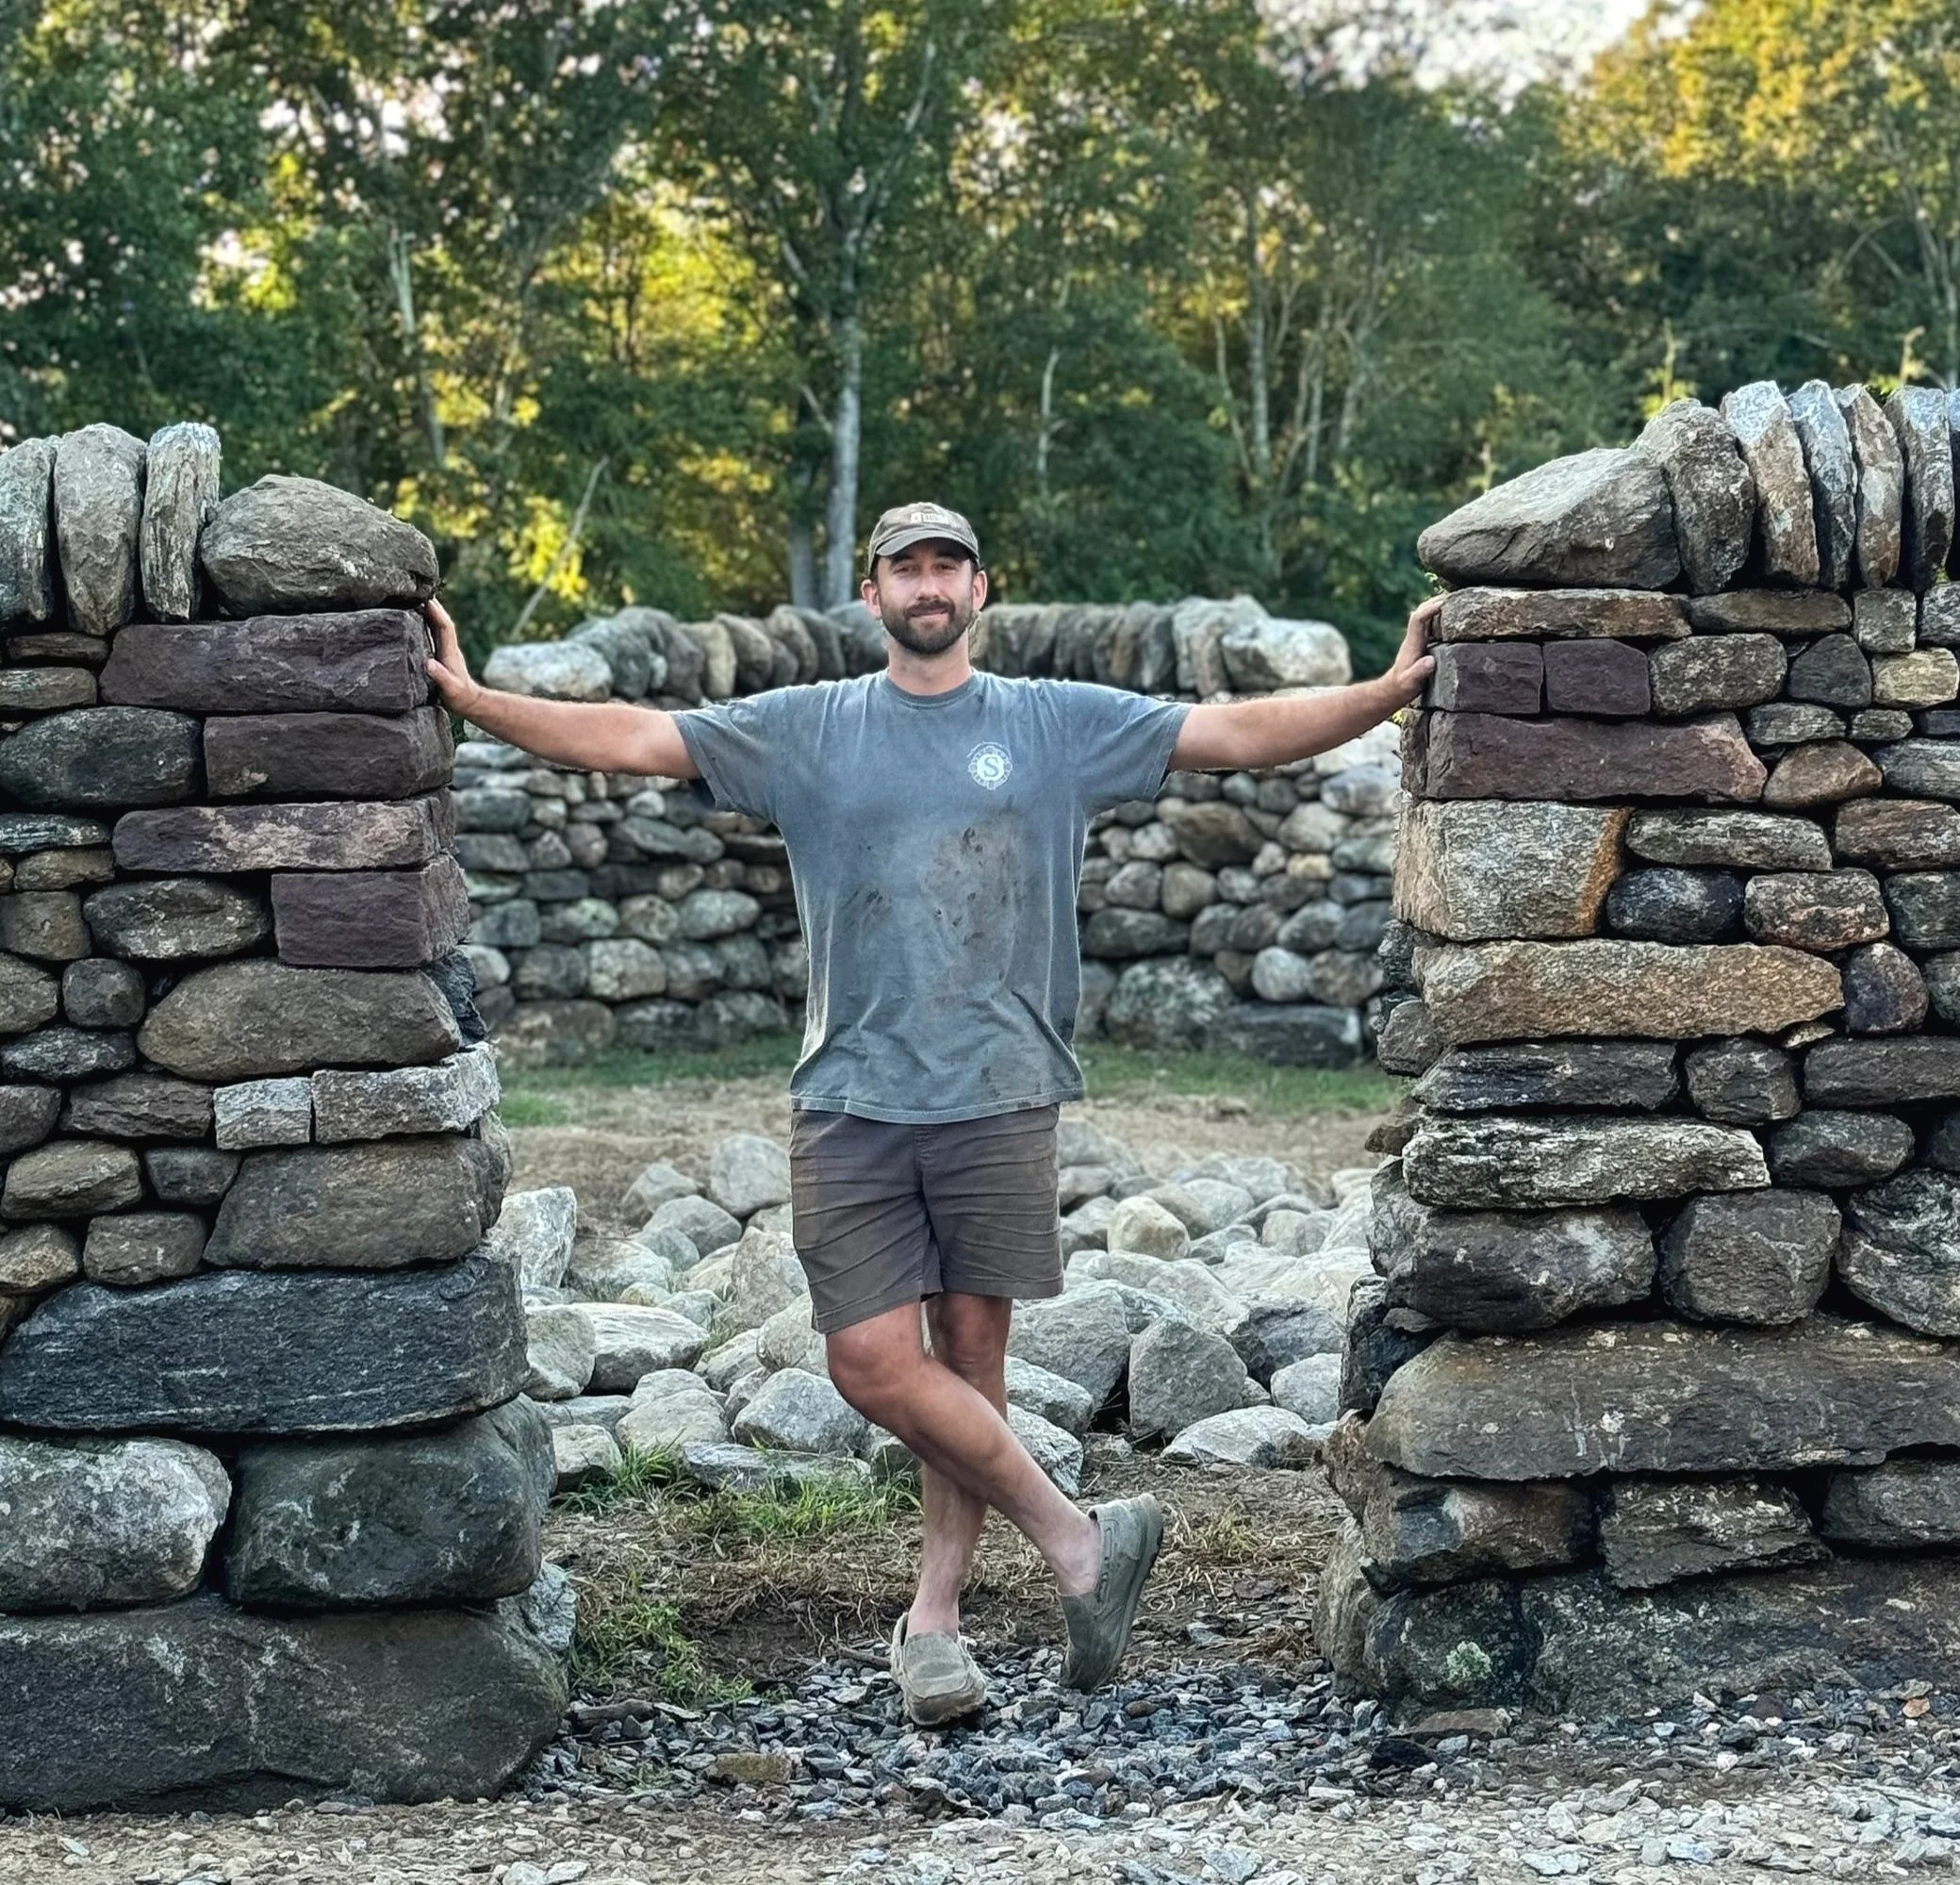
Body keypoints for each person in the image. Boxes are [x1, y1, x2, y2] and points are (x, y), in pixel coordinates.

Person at [426, 501, 1434, 1725]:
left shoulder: (1054, 722)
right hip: (850, 1094)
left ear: (980, 587)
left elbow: (1238, 731)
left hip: (1002, 1093)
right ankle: (1079, 1540)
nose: (928, 582)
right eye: (906, 565)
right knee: (867, 1359)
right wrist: (476, 701)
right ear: (874, 596)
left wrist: (1388, 688)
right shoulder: (808, 729)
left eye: (947, 563)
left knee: (974, 1357)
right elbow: (632, 733)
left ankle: (937, 1624)